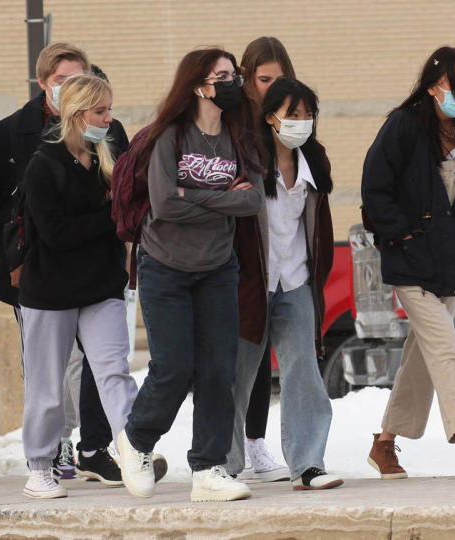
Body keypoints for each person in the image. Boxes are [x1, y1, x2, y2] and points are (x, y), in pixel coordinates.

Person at [0, 42, 128, 484]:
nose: (71, 86)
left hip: (98, 277)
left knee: (107, 368)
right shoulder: (19, 139)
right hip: (43, 275)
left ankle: (107, 447)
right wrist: (18, 233)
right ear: (46, 85)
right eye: (62, 81)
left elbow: (127, 198)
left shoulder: (108, 139)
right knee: (48, 376)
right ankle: (47, 456)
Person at [116, 47, 263, 502]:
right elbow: (164, 205)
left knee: (219, 370)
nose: (232, 82)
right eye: (223, 75)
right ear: (199, 84)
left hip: (218, 267)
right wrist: (221, 194)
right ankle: (136, 441)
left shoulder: (241, 138)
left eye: (234, 74)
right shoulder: (171, 136)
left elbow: (252, 202)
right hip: (165, 268)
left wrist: (193, 193)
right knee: (173, 368)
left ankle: (209, 468)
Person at [362, 46, 455, 479]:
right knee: (445, 349)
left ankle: (384, 444)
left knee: (423, 358)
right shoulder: (403, 128)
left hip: (451, 260)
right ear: (431, 87)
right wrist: (402, 234)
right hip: (409, 263)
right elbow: (375, 189)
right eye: (454, 84)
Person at [17, 73, 145, 498]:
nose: (109, 119)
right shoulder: (44, 165)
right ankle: (40, 465)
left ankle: (134, 452)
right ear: (75, 114)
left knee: (114, 373)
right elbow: (55, 233)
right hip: (49, 293)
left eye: (109, 109)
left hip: (102, 287)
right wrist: (110, 218)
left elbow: (127, 213)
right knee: (47, 387)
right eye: (100, 111)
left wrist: (116, 217)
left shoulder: (107, 158)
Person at [227, 77, 342, 491]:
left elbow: (316, 231)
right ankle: (221, 464)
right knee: (236, 375)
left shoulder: (314, 164)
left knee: (303, 371)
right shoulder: (248, 162)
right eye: (292, 114)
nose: (301, 122)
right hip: (251, 284)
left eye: (308, 113)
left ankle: (308, 463)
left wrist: (315, 282)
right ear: (270, 117)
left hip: (295, 282)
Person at [229, 35, 299, 484]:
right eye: (264, 78)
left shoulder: (291, 121)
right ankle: (225, 452)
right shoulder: (234, 122)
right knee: (238, 357)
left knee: (266, 358)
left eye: (280, 78)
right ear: (248, 80)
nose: (272, 87)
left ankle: (257, 442)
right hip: (237, 254)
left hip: (281, 258)